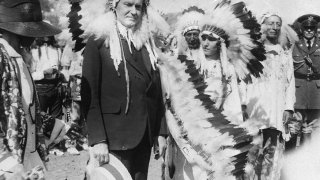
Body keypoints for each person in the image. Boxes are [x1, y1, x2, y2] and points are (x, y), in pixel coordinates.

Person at [161, 1, 265, 179]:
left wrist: (228, 137)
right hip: (191, 135)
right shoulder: (189, 64)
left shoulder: (228, 70)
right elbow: (175, 102)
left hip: (217, 134)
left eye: (211, 39)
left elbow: (233, 108)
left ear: (221, 43)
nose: (206, 43)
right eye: (203, 38)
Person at [80, 0, 169, 179]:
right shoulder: (99, 41)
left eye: (138, 6)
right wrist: (98, 140)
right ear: (114, 5)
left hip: (144, 137)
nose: (134, 11)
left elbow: (155, 92)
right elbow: (90, 97)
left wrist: (161, 132)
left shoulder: (147, 44)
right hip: (113, 139)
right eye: (128, 4)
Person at [0, 0, 66, 179]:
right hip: (8, 165)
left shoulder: (19, 59)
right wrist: (6, 162)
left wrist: (61, 128)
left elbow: (22, 112)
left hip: (28, 159)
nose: (35, 37)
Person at [244, 13, 297, 180]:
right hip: (256, 110)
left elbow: (290, 82)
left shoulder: (284, 52)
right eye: (270, 24)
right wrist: (244, 106)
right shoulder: (252, 52)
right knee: (253, 153)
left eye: (277, 24)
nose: (274, 27)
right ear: (263, 26)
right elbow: (244, 81)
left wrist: (288, 107)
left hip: (277, 109)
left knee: (272, 154)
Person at [288, 15, 320, 151]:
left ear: (315, 30)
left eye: (312, 28)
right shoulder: (294, 44)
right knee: (294, 125)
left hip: (316, 89)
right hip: (298, 88)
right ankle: (290, 158)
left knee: (312, 125)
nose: (309, 31)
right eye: (306, 28)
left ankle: (310, 158)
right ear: (302, 30)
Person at [31, 36, 63, 120]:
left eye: (49, 33)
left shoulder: (57, 50)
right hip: (40, 88)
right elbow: (30, 75)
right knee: (41, 119)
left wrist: (59, 74)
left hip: (55, 87)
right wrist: (43, 73)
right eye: (44, 33)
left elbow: (61, 68)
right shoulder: (33, 50)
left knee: (57, 120)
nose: (46, 36)